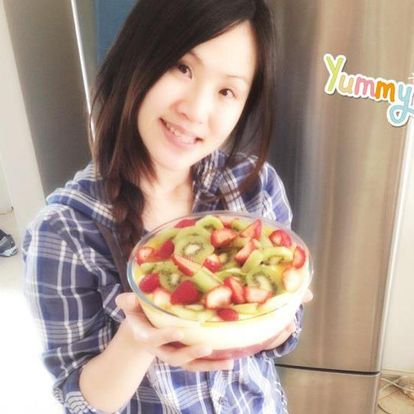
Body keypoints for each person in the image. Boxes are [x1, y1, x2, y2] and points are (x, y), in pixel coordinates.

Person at [23, 1, 312, 413]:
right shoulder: (63, 232)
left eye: (227, 91)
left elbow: (283, 336)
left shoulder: (257, 187)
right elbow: (81, 401)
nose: (195, 110)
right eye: (182, 67)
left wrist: (278, 320)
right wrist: (137, 339)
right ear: (138, 57)